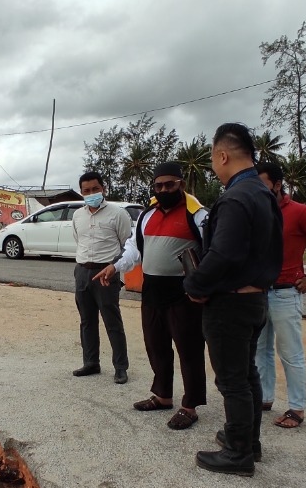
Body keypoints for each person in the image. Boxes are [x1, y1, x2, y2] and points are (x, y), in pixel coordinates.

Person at [184, 123, 282, 477]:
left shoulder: (236, 198)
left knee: (232, 380)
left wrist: (195, 284)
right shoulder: (262, 192)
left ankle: (238, 453)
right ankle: (248, 441)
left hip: (230, 304)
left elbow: (222, 255)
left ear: (223, 155)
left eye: (213, 158)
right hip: (256, 300)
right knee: (247, 373)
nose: (213, 166)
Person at [95, 162, 208, 430]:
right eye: (159, 185)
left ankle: (190, 406)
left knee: (189, 348)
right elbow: (133, 248)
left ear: (181, 184)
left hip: (184, 292)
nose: (164, 189)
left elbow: (212, 250)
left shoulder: (198, 214)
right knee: (155, 344)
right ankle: (163, 395)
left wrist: (205, 287)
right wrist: (115, 266)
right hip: (153, 290)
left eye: (170, 184)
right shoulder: (148, 214)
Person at [253, 161, 306, 428]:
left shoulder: (300, 212)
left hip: (286, 292)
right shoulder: (257, 213)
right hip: (259, 292)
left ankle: (297, 408)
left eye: (262, 184)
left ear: (277, 185)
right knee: (260, 350)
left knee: (290, 353)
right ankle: (265, 397)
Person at [71, 171, 133, 384]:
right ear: (81, 192)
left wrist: (114, 267)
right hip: (82, 272)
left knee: (112, 321)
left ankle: (121, 367)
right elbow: (78, 240)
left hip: (106, 274)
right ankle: (91, 362)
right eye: (86, 191)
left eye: (95, 189)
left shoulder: (118, 214)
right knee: (87, 321)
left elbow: (128, 245)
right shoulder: (78, 215)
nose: (91, 194)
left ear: (103, 189)